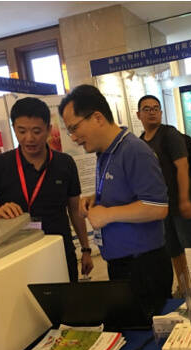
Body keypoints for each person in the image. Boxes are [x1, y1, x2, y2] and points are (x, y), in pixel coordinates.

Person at [59, 85, 173, 316]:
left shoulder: (134, 150)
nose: (73, 137)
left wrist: (108, 214)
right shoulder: (105, 152)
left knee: (147, 330)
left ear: (97, 117)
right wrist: (95, 199)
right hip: (121, 263)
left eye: (74, 128)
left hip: (143, 267)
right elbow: (126, 193)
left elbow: (158, 207)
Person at [0, 97, 92, 282]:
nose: (29, 138)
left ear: (49, 129)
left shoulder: (65, 163)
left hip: (60, 251)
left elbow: (74, 209)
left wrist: (86, 249)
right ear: (14, 128)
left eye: (37, 131)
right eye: (21, 131)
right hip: (17, 255)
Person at [138, 94, 191, 295]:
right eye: (147, 109)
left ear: (161, 112)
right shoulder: (141, 142)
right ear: (138, 114)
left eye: (155, 108)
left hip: (182, 202)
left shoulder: (169, 134)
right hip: (163, 207)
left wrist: (184, 199)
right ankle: (184, 286)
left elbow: (182, 167)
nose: (152, 112)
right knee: (173, 249)